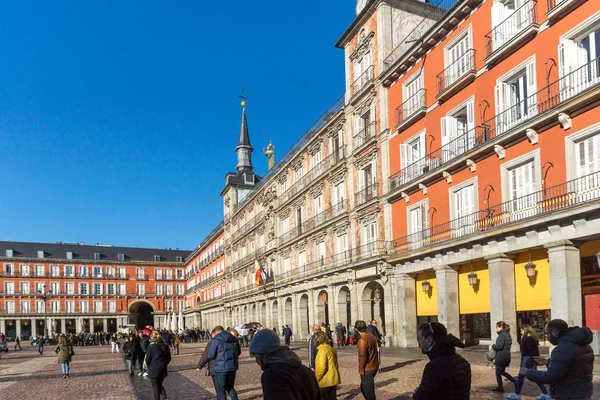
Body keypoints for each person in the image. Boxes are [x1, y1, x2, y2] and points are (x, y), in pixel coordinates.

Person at [520, 319, 594, 400]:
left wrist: (528, 372)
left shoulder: (562, 348)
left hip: (568, 394)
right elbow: (573, 367)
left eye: (547, 333)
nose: (547, 337)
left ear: (554, 332)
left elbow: (551, 377)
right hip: (583, 393)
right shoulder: (584, 345)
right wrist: (548, 362)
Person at [249, 328, 320, 400]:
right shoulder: (305, 370)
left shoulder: (272, 376)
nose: (256, 361)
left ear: (264, 354)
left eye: (256, 356)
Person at [413, 322, 471, 400]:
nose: (419, 343)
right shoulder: (463, 361)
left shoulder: (434, 367)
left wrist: (417, 393)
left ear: (429, 340)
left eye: (420, 338)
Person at [506, 324, 550, 400]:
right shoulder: (531, 338)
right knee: (533, 376)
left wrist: (533, 361)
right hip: (530, 359)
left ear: (525, 330)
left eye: (521, 330)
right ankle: (545, 393)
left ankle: (517, 394)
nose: (520, 332)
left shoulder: (527, 338)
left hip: (527, 359)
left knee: (521, 376)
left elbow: (531, 351)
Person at [207, 326, 241, 400]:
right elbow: (238, 352)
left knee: (221, 390)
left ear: (216, 332)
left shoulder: (215, 340)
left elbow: (211, 356)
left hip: (220, 368)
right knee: (230, 387)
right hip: (232, 367)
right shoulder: (234, 339)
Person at [313, 331, 341, 400]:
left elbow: (321, 368)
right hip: (333, 379)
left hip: (324, 381)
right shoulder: (331, 348)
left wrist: (316, 379)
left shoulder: (322, 350)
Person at [145, 330, 172, 400]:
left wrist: (149, 367)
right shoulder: (165, 346)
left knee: (155, 387)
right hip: (163, 369)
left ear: (152, 337)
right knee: (159, 385)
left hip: (153, 369)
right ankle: (165, 398)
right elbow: (169, 358)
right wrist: (163, 364)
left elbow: (147, 359)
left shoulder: (151, 347)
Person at [356, 320, 379, 400]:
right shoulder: (372, 336)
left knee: (368, 391)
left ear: (356, 329)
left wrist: (361, 369)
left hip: (367, 368)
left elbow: (363, 357)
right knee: (364, 387)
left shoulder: (362, 340)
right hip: (374, 366)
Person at [491, 321, 517, 393]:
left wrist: (493, 346)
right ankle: (515, 382)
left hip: (501, 357)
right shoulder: (507, 334)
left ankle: (500, 388)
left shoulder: (502, 335)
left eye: (496, 327)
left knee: (498, 373)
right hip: (506, 356)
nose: (496, 328)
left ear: (501, 327)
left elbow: (499, 347)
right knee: (501, 372)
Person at [197, 328, 218, 394]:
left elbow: (206, 355)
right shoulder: (232, 340)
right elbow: (238, 352)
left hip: (215, 367)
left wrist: (199, 365)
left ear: (214, 334)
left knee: (218, 387)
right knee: (230, 387)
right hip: (230, 367)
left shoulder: (212, 342)